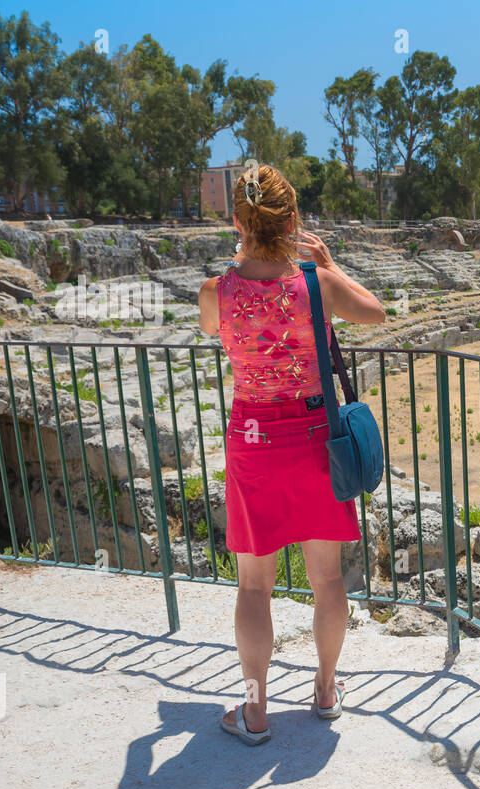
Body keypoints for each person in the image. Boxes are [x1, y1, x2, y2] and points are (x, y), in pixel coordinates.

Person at [197, 164, 385, 745]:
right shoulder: (314, 284)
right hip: (313, 443)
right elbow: (376, 312)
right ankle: (325, 691)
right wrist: (329, 266)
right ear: (293, 222)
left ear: (237, 221)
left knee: (254, 586)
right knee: (327, 580)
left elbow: (215, 332)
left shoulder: (215, 292)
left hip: (253, 442)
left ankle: (255, 714)